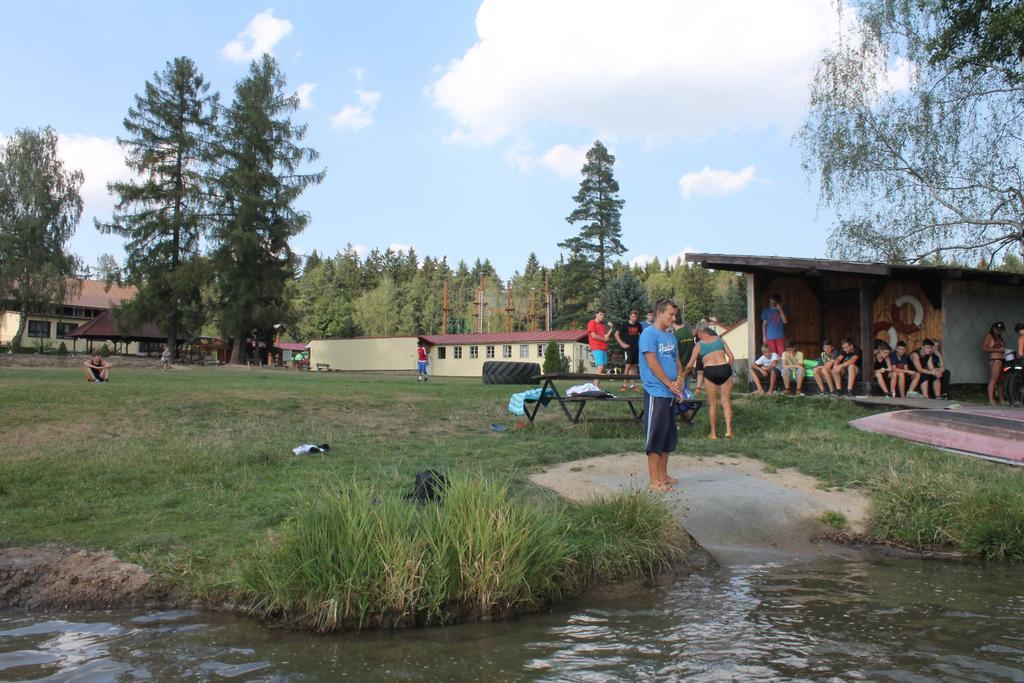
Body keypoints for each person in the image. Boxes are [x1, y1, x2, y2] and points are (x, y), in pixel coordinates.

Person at [639, 298, 683, 493]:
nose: (674, 318)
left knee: (668, 436)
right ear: (659, 314)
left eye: (675, 315)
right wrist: (669, 385)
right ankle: (654, 481)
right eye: (671, 315)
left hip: (671, 393)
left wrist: (679, 382)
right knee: (656, 435)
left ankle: (663, 474)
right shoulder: (649, 334)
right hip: (656, 391)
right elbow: (652, 363)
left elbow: (677, 363)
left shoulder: (671, 337)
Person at [684, 323, 734, 439]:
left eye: (697, 334)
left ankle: (713, 433)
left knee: (713, 404)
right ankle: (729, 431)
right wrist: (728, 370)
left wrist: (683, 375)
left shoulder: (699, 344)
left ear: (701, 333)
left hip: (710, 370)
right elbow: (731, 357)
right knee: (726, 402)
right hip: (724, 369)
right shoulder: (720, 340)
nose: (697, 337)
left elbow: (690, 365)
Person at [614, 310, 643, 392]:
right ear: (630, 316)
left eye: (636, 317)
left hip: (636, 348)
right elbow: (616, 334)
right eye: (633, 317)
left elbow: (642, 334)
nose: (635, 318)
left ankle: (632, 385)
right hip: (628, 348)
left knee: (634, 367)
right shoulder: (625, 325)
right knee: (628, 366)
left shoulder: (639, 325)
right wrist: (622, 344)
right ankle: (624, 385)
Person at [587, 309, 614, 383]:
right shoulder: (592, 322)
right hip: (596, 347)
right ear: (596, 314)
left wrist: (611, 328)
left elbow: (606, 336)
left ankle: (596, 386)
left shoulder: (602, 325)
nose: (602, 316)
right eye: (600, 314)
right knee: (600, 366)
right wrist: (604, 339)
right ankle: (595, 386)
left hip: (603, 348)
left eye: (603, 315)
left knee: (600, 368)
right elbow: (593, 336)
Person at [982, 322, 1006, 405]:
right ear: (993, 328)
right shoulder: (989, 336)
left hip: (1002, 358)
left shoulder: (999, 337)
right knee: (994, 379)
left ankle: (1001, 399)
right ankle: (991, 400)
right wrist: (997, 350)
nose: (999, 331)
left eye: (1001, 330)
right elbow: (984, 348)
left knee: (1001, 380)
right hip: (995, 359)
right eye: (997, 329)